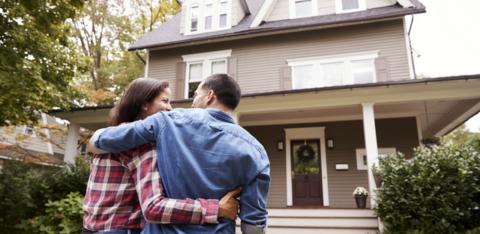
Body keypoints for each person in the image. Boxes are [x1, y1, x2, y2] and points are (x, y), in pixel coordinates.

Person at [90, 74, 270, 234]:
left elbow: (109, 138)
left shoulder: (168, 121)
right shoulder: (257, 151)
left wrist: (94, 142)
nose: (192, 102)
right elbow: (254, 222)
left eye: (195, 95)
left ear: (210, 96)